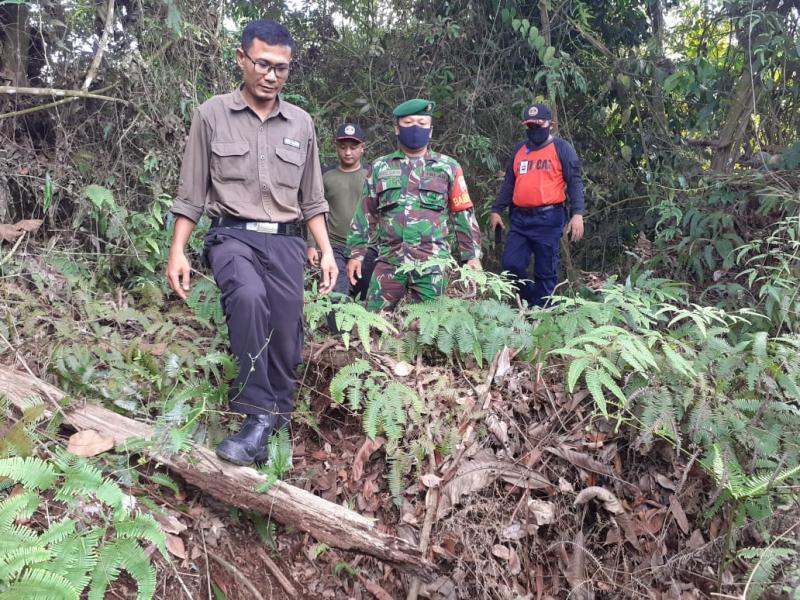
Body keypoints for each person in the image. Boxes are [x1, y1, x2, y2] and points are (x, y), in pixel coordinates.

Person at [165, 19, 337, 466]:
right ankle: (256, 416)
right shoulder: (211, 115)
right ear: (241, 59)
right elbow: (191, 192)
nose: (271, 75)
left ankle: (275, 421)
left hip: (286, 243)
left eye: (281, 68)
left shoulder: (302, 123)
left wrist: (327, 251)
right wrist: (177, 250)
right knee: (247, 295)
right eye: (262, 64)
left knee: (285, 336)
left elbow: (313, 198)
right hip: (232, 235)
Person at [346, 99, 482, 311]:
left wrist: (471, 257)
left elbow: (463, 214)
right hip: (389, 262)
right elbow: (365, 213)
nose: (415, 127)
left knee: (432, 329)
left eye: (421, 122)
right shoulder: (380, 167)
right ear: (396, 128)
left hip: (432, 264)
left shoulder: (448, 167)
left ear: (430, 130)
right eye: (408, 122)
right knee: (374, 324)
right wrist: (356, 254)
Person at [489, 103, 585, 307]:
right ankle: (531, 301)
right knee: (511, 265)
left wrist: (578, 214)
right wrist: (497, 209)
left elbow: (575, 181)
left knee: (545, 271)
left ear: (550, 124)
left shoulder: (561, 148)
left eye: (539, 124)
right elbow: (509, 183)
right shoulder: (519, 150)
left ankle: (541, 314)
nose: (535, 129)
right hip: (520, 219)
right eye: (531, 125)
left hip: (549, 218)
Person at [306, 123, 377, 301]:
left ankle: (360, 329)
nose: (347, 152)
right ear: (336, 147)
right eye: (343, 147)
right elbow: (314, 209)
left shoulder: (372, 175)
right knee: (336, 293)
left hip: (365, 246)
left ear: (362, 148)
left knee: (364, 295)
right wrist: (312, 244)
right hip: (333, 246)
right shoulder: (325, 175)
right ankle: (336, 329)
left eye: (353, 147)